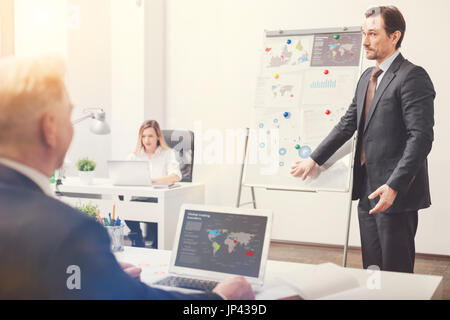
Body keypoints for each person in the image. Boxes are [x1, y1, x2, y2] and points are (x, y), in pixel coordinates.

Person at [0, 55, 254, 300]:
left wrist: (93, 271)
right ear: (49, 128)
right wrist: (220, 297)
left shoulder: (166, 154)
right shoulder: (70, 231)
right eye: (68, 116)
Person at [291, 6, 435, 273]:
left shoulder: (412, 76)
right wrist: (314, 159)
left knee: (396, 273)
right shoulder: (366, 79)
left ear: (394, 36)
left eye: (372, 34)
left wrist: (394, 185)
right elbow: (347, 125)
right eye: (363, 33)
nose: (365, 41)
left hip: (395, 193)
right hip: (367, 187)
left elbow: (421, 138)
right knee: (372, 268)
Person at [125, 120, 181, 248]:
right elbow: (125, 176)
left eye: (150, 136)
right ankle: (138, 238)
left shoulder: (168, 153)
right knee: (126, 209)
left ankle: (157, 245)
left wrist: (152, 180)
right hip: (139, 198)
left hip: (159, 199)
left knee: (154, 215)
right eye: (143, 136)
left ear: (158, 137)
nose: (147, 140)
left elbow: (175, 176)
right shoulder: (134, 156)